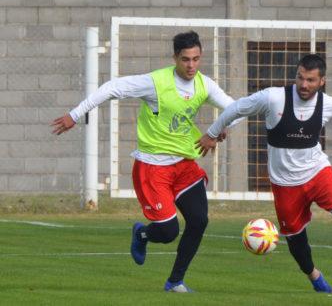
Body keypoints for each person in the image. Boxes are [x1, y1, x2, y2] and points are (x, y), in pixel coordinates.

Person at [196, 54, 332, 293]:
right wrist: (213, 133)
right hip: (284, 184)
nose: (304, 85)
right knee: (296, 239)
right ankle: (315, 278)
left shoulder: (328, 105)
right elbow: (237, 109)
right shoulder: (273, 98)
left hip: (318, 173)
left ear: (322, 81)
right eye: (300, 78)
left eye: (311, 80)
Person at [51, 31, 237, 293]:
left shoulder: (204, 84)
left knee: (199, 221)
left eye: (196, 59)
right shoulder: (155, 82)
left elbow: (237, 109)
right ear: (175, 58)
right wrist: (75, 114)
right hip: (153, 167)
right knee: (168, 231)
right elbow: (111, 88)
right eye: (185, 59)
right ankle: (143, 234)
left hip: (184, 165)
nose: (191, 66)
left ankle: (175, 282)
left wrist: (218, 129)